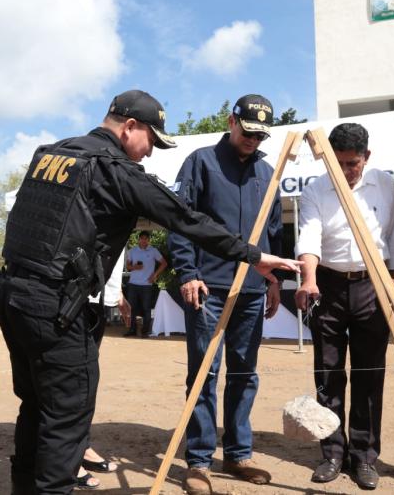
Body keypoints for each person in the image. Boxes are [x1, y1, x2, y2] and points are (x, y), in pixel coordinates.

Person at [0, 89, 301, 494]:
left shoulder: (51, 153)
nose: (150, 153)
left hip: (12, 295)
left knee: (35, 405)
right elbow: (183, 218)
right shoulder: (115, 170)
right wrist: (252, 255)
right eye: (150, 141)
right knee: (66, 415)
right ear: (130, 127)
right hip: (56, 307)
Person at [167, 94, 282, 495]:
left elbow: (272, 234)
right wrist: (188, 272)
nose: (252, 140)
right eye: (247, 131)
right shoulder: (201, 162)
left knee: (244, 373)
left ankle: (237, 453)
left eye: (259, 135)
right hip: (207, 287)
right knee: (204, 373)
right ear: (232, 121)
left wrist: (273, 281)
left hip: (251, 289)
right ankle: (198, 461)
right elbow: (179, 221)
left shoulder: (268, 173)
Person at [294, 123, 394, 490]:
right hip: (327, 284)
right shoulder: (315, 189)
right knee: (328, 374)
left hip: (373, 285)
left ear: (366, 158)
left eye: (352, 163)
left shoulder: (384, 184)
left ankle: (365, 456)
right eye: (337, 163)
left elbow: (392, 235)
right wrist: (308, 279)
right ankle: (332, 453)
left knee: (370, 373)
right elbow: (308, 235)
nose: (345, 171)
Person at [77, 251, 129, 489]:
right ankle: (66, 457)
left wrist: (116, 291)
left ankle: (81, 447)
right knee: (71, 381)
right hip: (73, 293)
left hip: (97, 296)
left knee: (87, 379)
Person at [124, 230, 167, 337]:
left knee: (146, 308)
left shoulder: (153, 251)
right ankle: (132, 330)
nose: (144, 241)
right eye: (142, 238)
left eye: (146, 239)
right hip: (133, 283)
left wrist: (155, 275)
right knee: (131, 308)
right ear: (139, 239)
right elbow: (128, 266)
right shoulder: (132, 251)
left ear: (149, 240)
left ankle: (145, 331)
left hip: (147, 285)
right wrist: (135, 267)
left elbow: (164, 263)